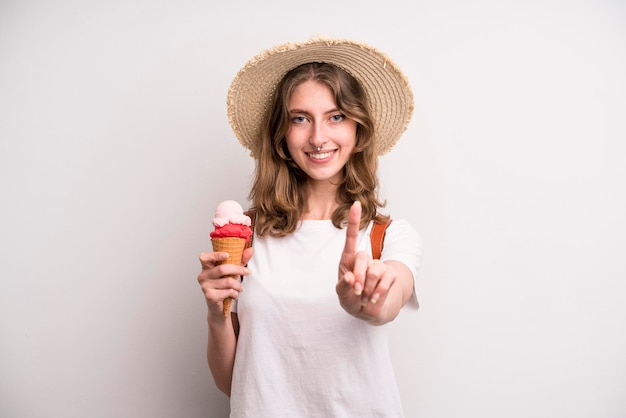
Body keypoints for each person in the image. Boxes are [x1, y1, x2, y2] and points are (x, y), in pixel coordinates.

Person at [197, 36, 422, 417]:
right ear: (282, 137)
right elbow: (231, 382)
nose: (318, 138)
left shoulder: (389, 236)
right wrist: (215, 310)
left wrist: (366, 303)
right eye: (300, 119)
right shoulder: (246, 235)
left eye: (336, 117)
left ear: (358, 132)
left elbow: (389, 300)